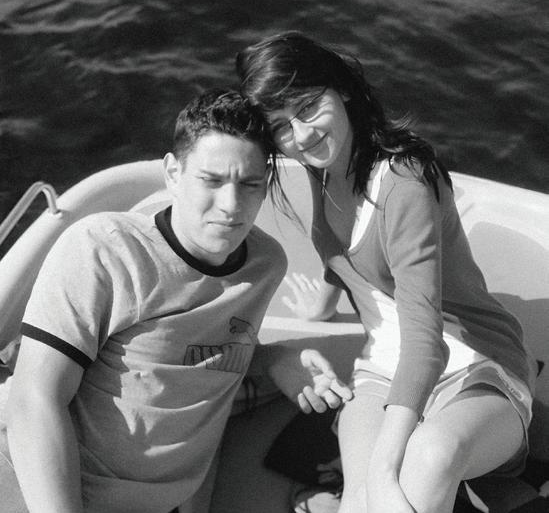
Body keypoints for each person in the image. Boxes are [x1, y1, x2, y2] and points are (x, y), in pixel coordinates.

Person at [1, 88, 350, 513]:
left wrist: (277, 359)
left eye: (249, 184)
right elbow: (34, 400)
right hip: (34, 488)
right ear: (172, 173)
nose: (230, 205)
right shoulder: (104, 249)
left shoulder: (263, 265)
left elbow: (201, 351)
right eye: (212, 180)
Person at [236, 31, 537, 513]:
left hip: (474, 364)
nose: (302, 134)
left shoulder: (404, 182)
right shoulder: (324, 165)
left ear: (343, 89)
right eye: (281, 126)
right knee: (360, 503)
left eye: (309, 106)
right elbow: (340, 252)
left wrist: (384, 469)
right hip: (384, 367)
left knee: (429, 458)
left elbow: (426, 342)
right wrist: (319, 307)